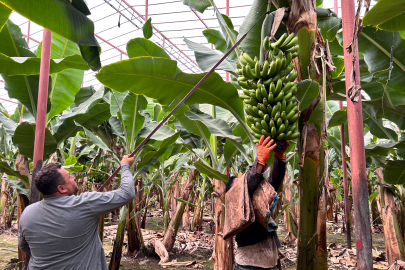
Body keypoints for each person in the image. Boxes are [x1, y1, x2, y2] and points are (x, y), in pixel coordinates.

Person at [18, 154, 136, 270]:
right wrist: (125, 165)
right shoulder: (85, 204)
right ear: (62, 188)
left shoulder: (27, 212)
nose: (74, 178)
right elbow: (127, 193)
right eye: (69, 177)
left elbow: (24, 246)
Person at [226, 136, 287, 270]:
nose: (243, 182)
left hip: (270, 264)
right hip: (248, 266)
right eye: (239, 182)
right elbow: (248, 185)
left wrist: (279, 158)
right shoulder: (234, 200)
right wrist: (259, 161)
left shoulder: (258, 201)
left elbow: (273, 183)